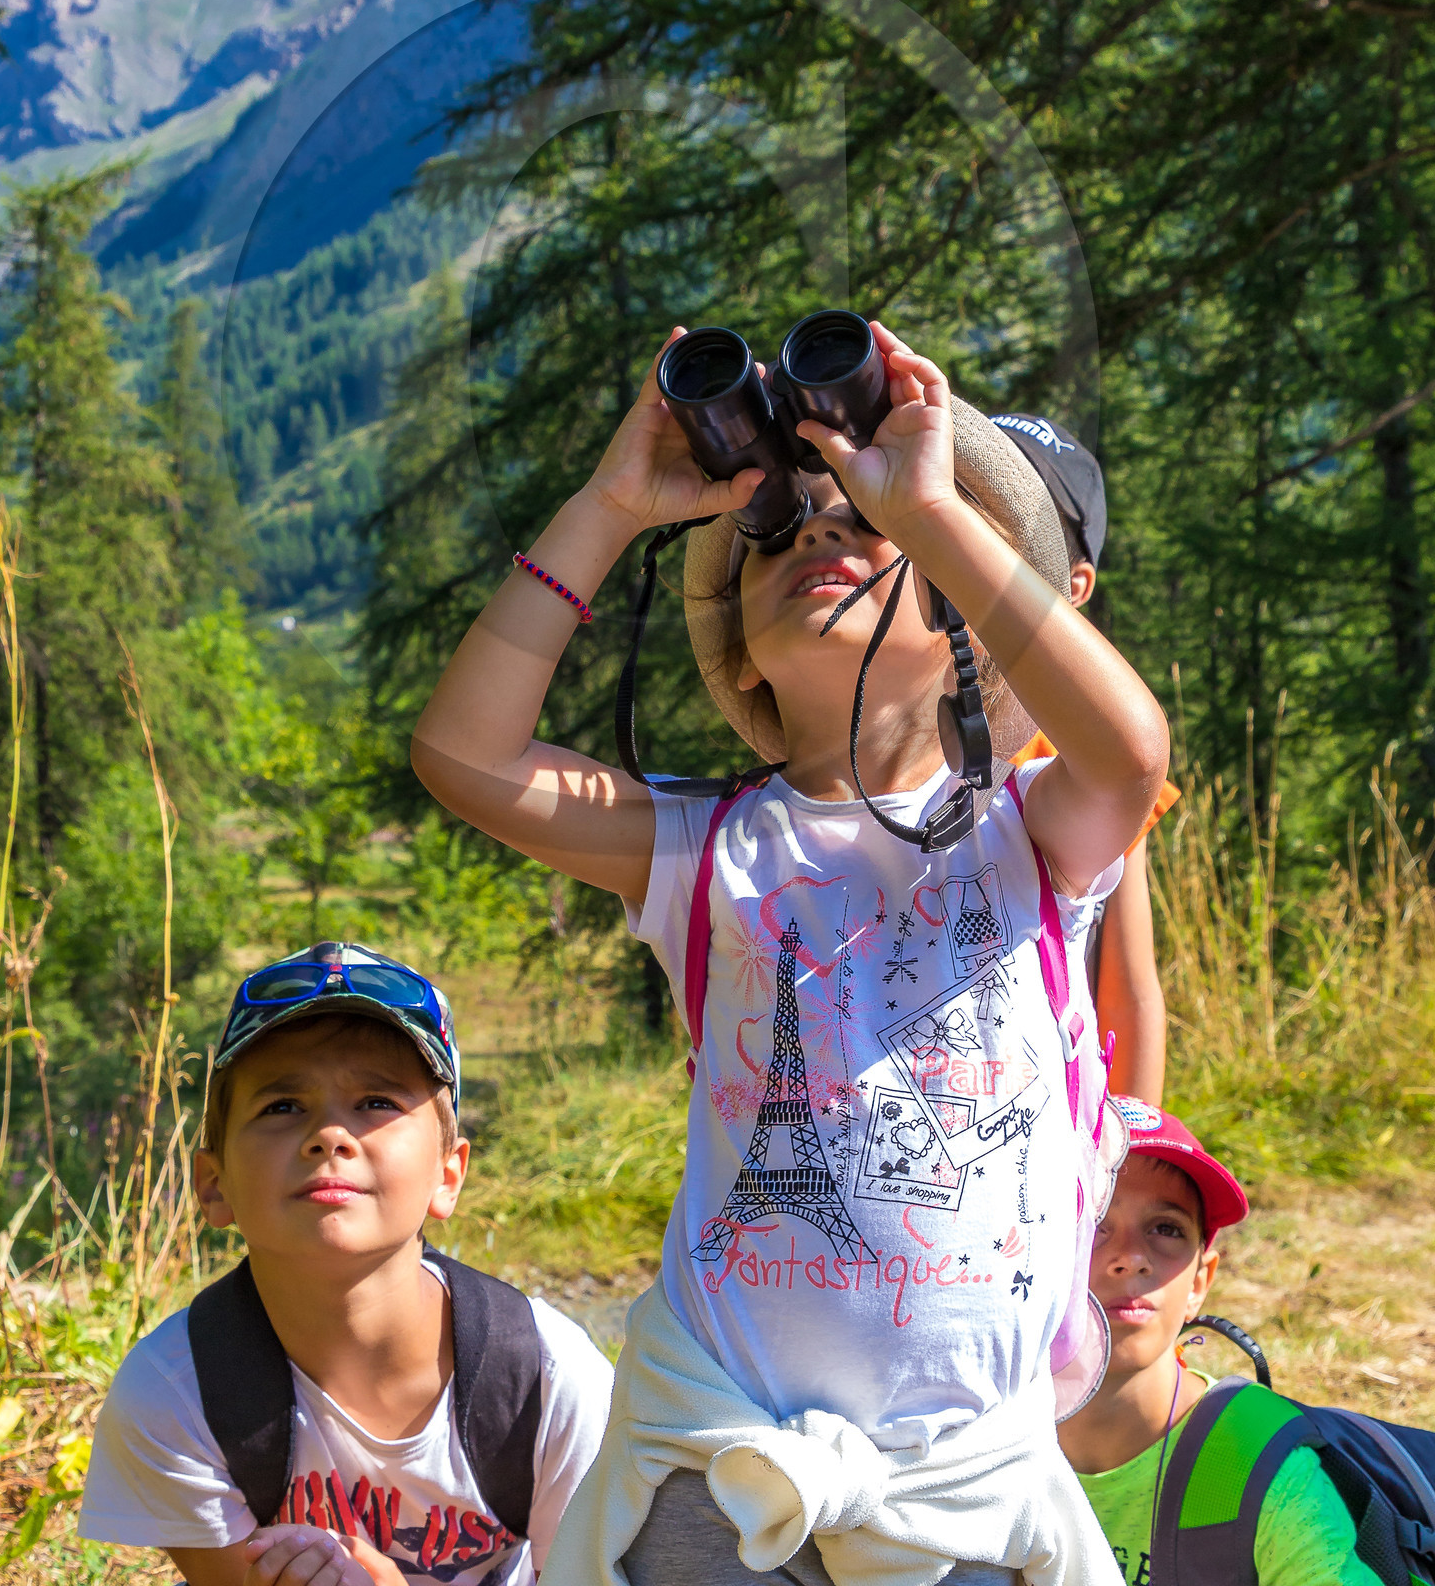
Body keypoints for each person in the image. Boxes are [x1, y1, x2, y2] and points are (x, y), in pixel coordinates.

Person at [412, 323, 1170, 1585]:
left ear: (963, 616)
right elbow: (465, 754)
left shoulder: (1032, 829)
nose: (819, 533)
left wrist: (927, 506)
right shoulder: (704, 849)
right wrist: (611, 505)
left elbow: (1130, 750)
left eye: (859, 530)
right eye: (774, 527)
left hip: (957, 1485)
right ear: (743, 653)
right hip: (723, 1458)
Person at [79, 942, 615, 1586]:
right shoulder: (174, 1394)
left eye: (377, 1103)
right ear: (213, 1184)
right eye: (281, 1107)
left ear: (449, 1176)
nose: (330, 1134)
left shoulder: (547, 1379)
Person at [1058, 1103, 1379, 1584]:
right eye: (1094, 1222)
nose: (1131, 1257)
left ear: (1199, 1283)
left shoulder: (1255, 1465)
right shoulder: (965, 1436)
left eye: (1166, 1228)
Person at [990, 413, 1173, 1104]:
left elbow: (1130, 989)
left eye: (1018, 524)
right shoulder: (871, 723)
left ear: (1075, 584)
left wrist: (1134, 1158)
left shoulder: (1085, 760)